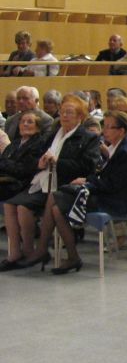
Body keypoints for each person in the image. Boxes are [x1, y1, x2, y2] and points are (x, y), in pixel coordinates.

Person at [7, 94, 102, 270]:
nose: (64, 116)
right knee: (10, 204)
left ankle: (38, 251)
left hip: (68, 185)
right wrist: (40, 162)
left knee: (25, 206)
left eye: (69, 112)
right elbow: (38, 155)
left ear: (80, 116)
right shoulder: (52, 135)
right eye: (62, 112)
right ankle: (21, 252)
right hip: (44, 181)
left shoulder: (88, 138)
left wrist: (57, 161)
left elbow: (87, 166)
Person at [45, 110, 127, 275]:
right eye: (103, 126)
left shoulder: (126, 153)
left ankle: (44, 249)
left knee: (55, 198)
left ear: (121, 131)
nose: (103, 131)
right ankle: (71, 255)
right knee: (56, 207)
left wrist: (88, 182)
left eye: (108, 127)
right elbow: (104, 176)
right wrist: (88, 180)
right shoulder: (115, 147)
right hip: (107, 194)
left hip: (116, 202)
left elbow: (112, 185)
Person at [0, 111, 48, 270]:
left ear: (38, 128)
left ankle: (28, 250)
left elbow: (26, 169)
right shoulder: (15, 143)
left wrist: (7, 166)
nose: (25, 124)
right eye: (23, 122)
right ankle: (14, 252)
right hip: (10, 183)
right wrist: (7, 166)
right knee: (8, 204)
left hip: (27, 184)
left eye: (30, 122)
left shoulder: (39, 143)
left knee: (18, 205)